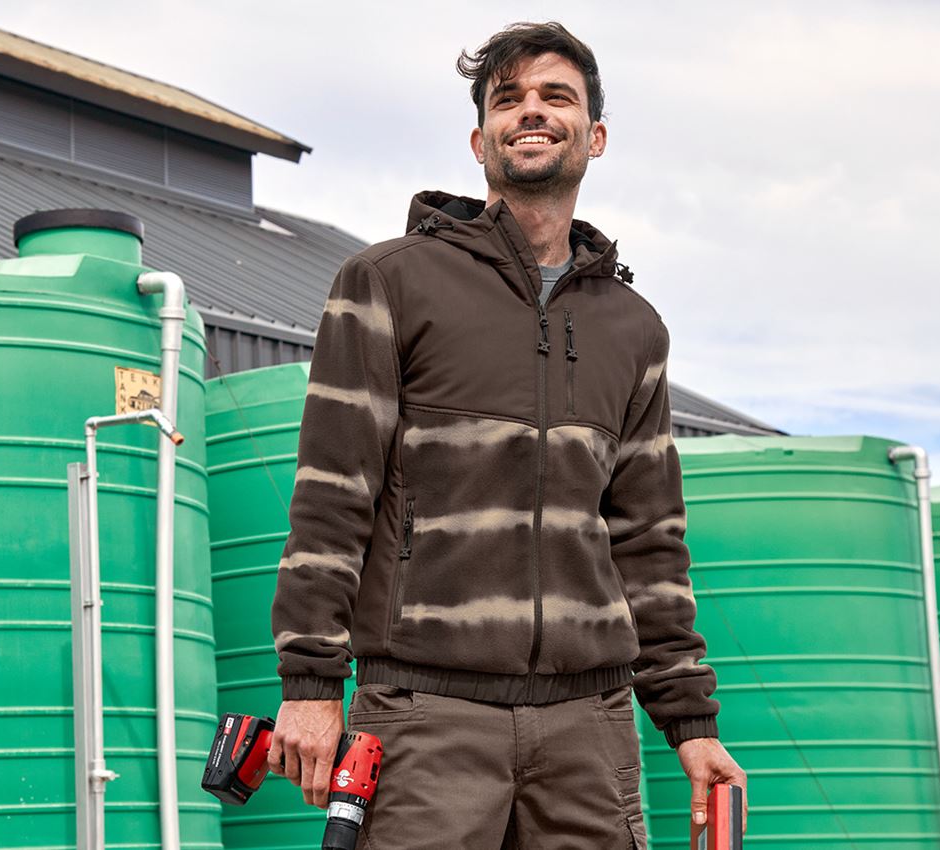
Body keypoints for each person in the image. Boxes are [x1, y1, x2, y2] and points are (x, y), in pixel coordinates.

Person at [267, 21, 747, 849]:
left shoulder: (634, 329)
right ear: (479, 138)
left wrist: (689, 720)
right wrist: (311, 682)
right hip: (425, 717)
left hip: (588, 732)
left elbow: (649, 543)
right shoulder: (387, 283)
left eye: (556, 96)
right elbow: (332, 497)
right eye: (508, 99)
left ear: (593, 136)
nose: (531, 111)